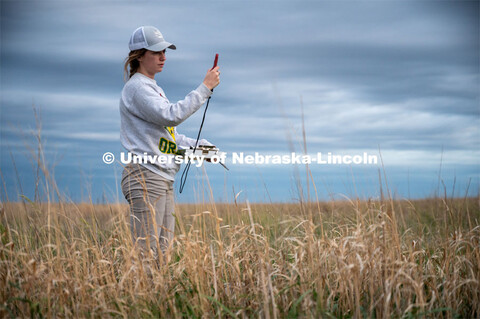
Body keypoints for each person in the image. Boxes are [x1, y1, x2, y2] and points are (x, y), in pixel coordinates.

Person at [120, 26, 220, 257]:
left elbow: (167, 135)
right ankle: (142, 293)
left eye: (164, 51)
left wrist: (199, 147)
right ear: (139, 55)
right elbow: (171, 116)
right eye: (156, 52)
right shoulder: (137, 88)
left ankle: (157, 293)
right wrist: (205, 88)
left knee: (162, 253)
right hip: (146, 176)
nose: (163, 57)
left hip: (161, 176)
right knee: (147, 254)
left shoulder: (151, 88)